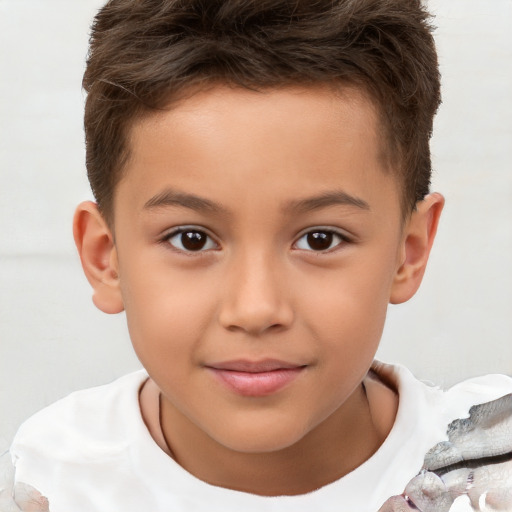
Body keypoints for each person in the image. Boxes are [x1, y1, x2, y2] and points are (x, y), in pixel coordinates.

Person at [8, 0, 512, 511]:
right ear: (105, 258)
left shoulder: (490, 469)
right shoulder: (59, 477)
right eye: (191, 239)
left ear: (409, 250)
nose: (255, 309)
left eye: (320, 239)